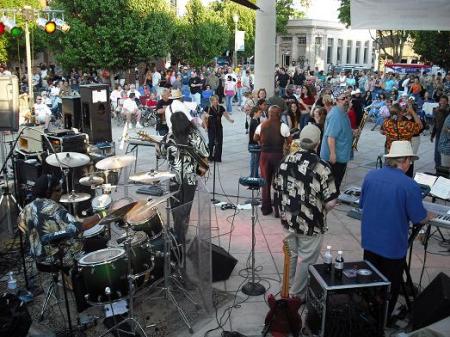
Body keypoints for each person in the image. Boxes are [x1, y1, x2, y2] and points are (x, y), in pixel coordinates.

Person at [359, 140, 432, 322]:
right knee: (389, 286)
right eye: (410, 161)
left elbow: (362, 204)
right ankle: (381, 321)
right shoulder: (409, 185)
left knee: (370, 281)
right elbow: (418, 218)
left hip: (369, 241)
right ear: (406, 160)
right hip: (392, 247)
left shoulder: (370, 176)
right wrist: (429, 215)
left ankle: (366, 315)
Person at [274, 124, 338, 299]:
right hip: (311, 224)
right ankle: (296, 295)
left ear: (300, 141)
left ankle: (285, 289)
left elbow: (276, 187)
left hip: (287, 219)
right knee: (306, 260)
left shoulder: (285, 160)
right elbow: (331, 202)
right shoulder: (322, 167)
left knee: (290, 255)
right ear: (317, 143)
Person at [159, 111, 209, 244]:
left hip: (174, 178)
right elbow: (206, 152)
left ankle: (178, 235)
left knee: (175, 208)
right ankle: (181, 234)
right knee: (186, 207)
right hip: (190, 178)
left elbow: (162, 153)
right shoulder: (195, 136)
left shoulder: (169, 137)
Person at [254, 105, 292, 216]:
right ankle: (277, 209)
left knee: (265, 182)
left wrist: (262, 141)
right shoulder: (283, 126)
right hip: (277, 156)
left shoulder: (262, 125)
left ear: (269, 114)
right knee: (278, 182)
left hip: (264, 156)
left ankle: (266, 209)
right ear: (278, 114)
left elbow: (255, 138)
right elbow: (290, 140)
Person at [320, 93, 353, 193]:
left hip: (341, 154)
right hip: (336, 156)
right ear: (336, 101)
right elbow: (331, 137)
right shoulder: (336, 114)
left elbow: (340, 129)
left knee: (336, 180)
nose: (346, 100)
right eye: (343, 98)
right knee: (334, 181)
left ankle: (333, 196)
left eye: (347, 97)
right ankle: (332, 199)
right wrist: (333, 154)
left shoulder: (342, 112)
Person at [202, 95, 234, 162]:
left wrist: (230, 120)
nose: (216, 101)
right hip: (211, 128)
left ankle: (217, 158)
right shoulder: (208, 108)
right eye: (214, 100)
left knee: (219, 142)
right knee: (211, 143)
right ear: (211, 101)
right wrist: (205, 127)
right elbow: (203, 118)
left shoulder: (221, 107)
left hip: (219, 127)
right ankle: (210, 157)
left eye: (216, 100)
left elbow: (225, 115)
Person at [248, 106, 262, 177]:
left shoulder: (256, 120)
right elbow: (256, 136)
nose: (260, 114)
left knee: (255, 161)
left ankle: (254, 175)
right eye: (259, 112)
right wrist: (260, 144)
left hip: (253, 144)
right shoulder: (254, 122)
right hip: (254, 144)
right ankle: (253, 176)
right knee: (255, 162)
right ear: (255, 113)